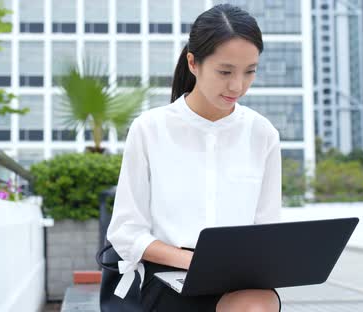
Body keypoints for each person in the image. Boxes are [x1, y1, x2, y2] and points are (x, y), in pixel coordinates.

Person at [106, 4, 282, 312]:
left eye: (250, 71)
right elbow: (126, 231)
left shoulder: (262, 133)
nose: (237, 86)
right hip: (168, 276)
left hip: (240, 281)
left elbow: (267, 229)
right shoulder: (150, 128)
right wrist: (196, 262)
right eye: (225, 72)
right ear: (193, 63)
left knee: (255, 306)